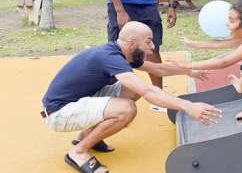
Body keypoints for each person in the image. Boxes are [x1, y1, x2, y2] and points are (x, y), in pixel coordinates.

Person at [41, 21, 220, 173]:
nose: (152, 47)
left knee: (132, 88)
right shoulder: (110, 57)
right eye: (148, 42)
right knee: (126, 109)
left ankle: (88, 134)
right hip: (59, 113)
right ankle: (79, 152)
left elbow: (158, 69)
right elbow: (149, 92)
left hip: (78, 100)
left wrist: (189, 71)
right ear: (132, 42)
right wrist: (188, 106)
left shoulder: (123, 53)